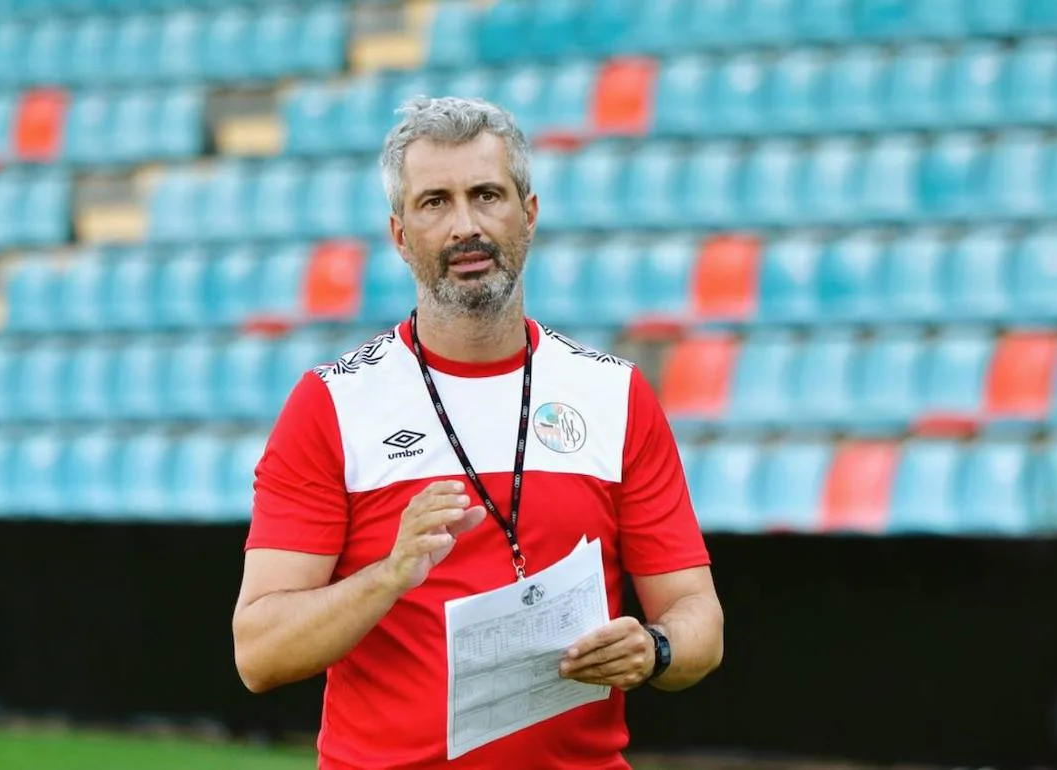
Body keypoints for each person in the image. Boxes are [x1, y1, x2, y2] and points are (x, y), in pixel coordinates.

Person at [232, 96, 723, 769]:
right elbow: (258, 653)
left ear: (529, 215)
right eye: (434, 202)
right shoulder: (332, 404)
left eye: (486, 194)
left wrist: (655, 648)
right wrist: (389, 575)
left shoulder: (615, 396)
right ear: (401, 236)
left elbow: (699, 618)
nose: (465, 225)